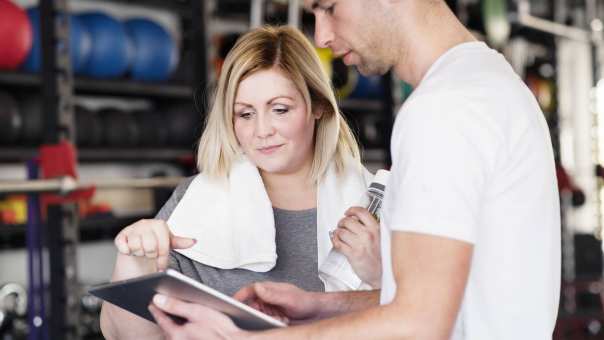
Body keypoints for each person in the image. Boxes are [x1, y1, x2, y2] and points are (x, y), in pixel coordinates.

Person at [147, 1, 561, 339]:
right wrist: (321, 305)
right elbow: (452, 302)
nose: (323, 36)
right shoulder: (490, 83)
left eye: (328, 7)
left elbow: (420, 323)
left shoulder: (444, 110)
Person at [99, 25, 385, 340]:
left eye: (279, 109)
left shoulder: (375, 206)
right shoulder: (197, 200)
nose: (262, 131)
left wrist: (380, 277)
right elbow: (125, 336)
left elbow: (427, 322)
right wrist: (133, 263)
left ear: (317, 105)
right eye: (245, 114)